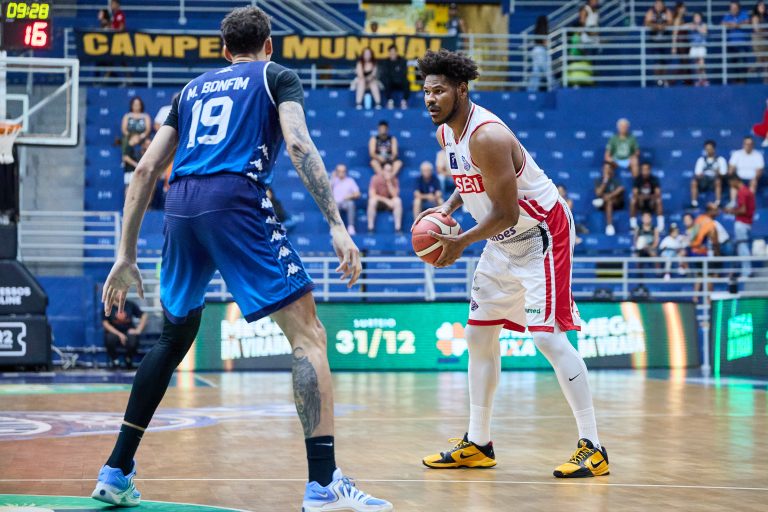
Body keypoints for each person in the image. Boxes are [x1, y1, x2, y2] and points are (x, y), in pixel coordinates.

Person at [92, 7, 391, 511]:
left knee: (172, 337)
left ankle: (116, 470)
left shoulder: (189, 91)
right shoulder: (276, 76)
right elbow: (298, 143)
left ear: (224, 49)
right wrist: (337, 225)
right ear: (268, 45)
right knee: (308, 334)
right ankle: (323, 485)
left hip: (180, 204)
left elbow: (144, 169)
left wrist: (125, 254)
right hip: (234, 198)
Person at [416, 49, 609, 478]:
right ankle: (478, 443)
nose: (430, 99)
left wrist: (460, 242)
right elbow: (470, 181)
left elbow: (505, 212)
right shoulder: (446, 134)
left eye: (439, 90)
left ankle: (594, 447)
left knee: (548, 339)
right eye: (426, 91)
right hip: (501, 240)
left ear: (461, 89)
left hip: (541, 234)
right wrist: (446, 209)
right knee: (478, 334)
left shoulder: (488, 135)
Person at [725, 174, 756, 277]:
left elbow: (743, 210)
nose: (731, 185)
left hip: (742, 223)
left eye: (730, 183)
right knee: (743, 246)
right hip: (747, 222)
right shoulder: (747, 191)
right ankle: (746, 270)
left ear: (735, 181)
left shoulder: (742, 192)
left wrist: (730, 211)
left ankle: (747, 272)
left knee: (743, 247)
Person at [103, 299, 147, 369]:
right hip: (115, 331)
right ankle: (115, 361)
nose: (120, 294)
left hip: (128, 331)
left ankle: (128, 359)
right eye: (117, 293)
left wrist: (138, 330)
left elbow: (144, 315)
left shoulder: (130, 304)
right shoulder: (108, 306)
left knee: (133, 340)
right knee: (109, 339)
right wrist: (119, 334)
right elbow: (105, 323)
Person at [691, 139, 728, 207]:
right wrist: (700, 175)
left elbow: (724, 173)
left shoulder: (720, 160)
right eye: (707, 149)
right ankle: (694, 203)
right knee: (694, 182)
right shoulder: (701, 160)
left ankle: (718, 202)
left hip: (715, 179)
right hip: (704, 180)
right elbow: (697, 173)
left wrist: (718, 172)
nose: (708, 151)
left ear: (714, 149)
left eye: (710, 149)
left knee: (718, 181)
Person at [367, 163, 402, 233]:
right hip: (379, 202)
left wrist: (389, 182)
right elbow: (372, 195)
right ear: (382, 171)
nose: (388, 172)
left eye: (390, 171)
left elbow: (395, 195)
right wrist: (386, 200)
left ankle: (398, 228)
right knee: (371, 201)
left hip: (390, 203)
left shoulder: (394, 180)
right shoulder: (375, 178)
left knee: (398, 201)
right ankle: (370, 228)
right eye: (386, 170)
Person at [645, 0, 673, 86]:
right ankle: (658, 80)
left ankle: (664, 80)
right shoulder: (651, 12)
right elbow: (647, 23)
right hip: (655, 41)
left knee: (665, 61)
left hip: (665, 41)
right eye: (657, 4)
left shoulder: (667, 11)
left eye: (660, 4)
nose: (659, 6)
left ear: (663, 5)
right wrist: (656, 26)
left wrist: (663, 26)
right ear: (655, 4)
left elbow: (670, 22)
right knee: (657, 61)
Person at [630, 162, 665, 232]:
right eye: (643, 169)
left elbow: (658, 193)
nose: (645, 171)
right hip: (641, 203)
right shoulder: (637, 179)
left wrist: (648, 197)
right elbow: (635, 193)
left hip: (651, 202)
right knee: (633, 201)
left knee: (658, 200)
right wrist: (641, 198)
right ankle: (633, 226)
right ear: (641, 170)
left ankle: (661, 226)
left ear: (649, 170)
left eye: (646, 169)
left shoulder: (654, 179)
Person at [592, 161, 625, 235]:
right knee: (608, 201)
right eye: (605, 168)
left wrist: (609, 196)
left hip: (616, 202)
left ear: (611, 170)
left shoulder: (615, 180)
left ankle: (609, 225)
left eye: (608, 168)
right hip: (604, 203)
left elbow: (621, 189)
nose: (606, 170)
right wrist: (605, 181)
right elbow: (598, 193)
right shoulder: (598, 180)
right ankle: (609, 225)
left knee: (609, 200)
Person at [723, 1, 751, 80]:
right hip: (731, 45)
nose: (733, 9)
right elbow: (722, 23)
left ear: (738, 8)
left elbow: (747, 22)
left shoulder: (743, 14)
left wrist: (737, 25)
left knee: (742, 63)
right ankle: (736, 81)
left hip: (742, 44)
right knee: (734, 64)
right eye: (731, 8)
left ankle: (743, 81)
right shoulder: (727, 15)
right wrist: (732, 24)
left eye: (735, 8)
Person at [331, 163, 360, 235]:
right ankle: (335, 227)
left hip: (345, 202)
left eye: (343, 171)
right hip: (335, 203)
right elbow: (326, 193)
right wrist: (332, 179)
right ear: (336, 172)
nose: (341, 173)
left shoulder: (350, 181)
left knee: (351, 203)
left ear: (346, 172)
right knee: (334, 205)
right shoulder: (333, 181)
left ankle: (351, 227)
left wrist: (350, 196)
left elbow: (357, 194)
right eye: (339, 171)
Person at [379, 45, 411, 110]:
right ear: (389, 53)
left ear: (396, 52)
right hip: (390, 82)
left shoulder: (402, 61)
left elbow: (404, 73)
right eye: (391, 52)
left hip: (400, 81)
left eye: (394, 52)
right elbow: (385, 74)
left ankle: (404, 101)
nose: (392, 54)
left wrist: (396, 76)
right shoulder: (386, 62)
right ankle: (390, 101)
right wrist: (395, 74)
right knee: (386, 81)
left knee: (407, 82)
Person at [528, 16, 551, 92]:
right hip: (541, 50)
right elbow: (545, 43)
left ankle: (531, 90)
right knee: (547, 70)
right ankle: (553, 87)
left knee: (536, 72)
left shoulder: (537, 30)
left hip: (535, 50)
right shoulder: (544, 30)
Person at [687, 12, 709, 86]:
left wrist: (697, 27)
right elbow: (684, 26)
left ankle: (705, 79)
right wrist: (690, 26)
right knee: (696, 64)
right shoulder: (691, 24)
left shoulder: (704, 25)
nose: (697, 18)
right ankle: (699, 80)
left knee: (701, 63)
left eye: (698, 17)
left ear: (701, 18)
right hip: (694, 46)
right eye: (695, 17)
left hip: (701, 46)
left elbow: (705, 32)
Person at [753, 1, 768, 83]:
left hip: (766, 41)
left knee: (766, 62)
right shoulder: (755, 17)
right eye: (760, 6)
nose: (762, 7)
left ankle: (766, 81)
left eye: (763, 6)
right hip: (758, 41)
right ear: (757, 8)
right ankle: (748, 71)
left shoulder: (766, 17)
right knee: (761, 61)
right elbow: (757, 29)